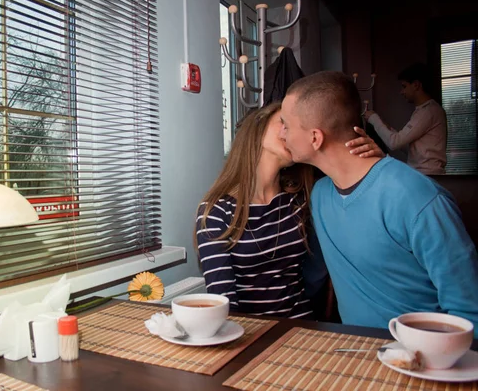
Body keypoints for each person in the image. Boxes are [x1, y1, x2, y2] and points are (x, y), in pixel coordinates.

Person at [280, 70, 478, 333]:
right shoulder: (321, 195)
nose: (281, 134)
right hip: (354, 354)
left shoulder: (417, 198)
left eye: (286, 125)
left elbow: (469, 310)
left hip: (422, 359)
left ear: (315, 137)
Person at [194, 102, 383, 319]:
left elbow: (363, 219)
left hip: (302, 327)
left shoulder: (302, 199)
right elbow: (223, 300)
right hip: (246, 332)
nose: (289, 133)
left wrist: (375, 166)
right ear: (258, 127)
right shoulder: (217, 211)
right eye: (283, 122)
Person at [363, 63, 447, 175]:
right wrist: (387, 128)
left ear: (416, 85)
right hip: (422, 174)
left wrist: (374, 119)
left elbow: (394, 143)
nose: (401, 92)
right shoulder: (422, 111)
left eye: (404, 86)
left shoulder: (429, 111)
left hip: (428, 175)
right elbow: (408, 148)